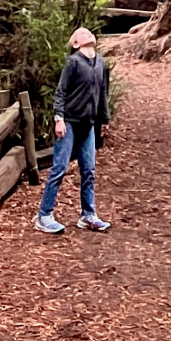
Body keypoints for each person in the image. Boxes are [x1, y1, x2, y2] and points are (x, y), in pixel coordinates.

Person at [34, 25, 111, 234]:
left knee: (89, 170)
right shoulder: (73, 62)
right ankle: (44, 215)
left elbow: (103, 94)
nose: (87, 33)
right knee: (59, 167)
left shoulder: (102, 63)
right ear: (75, 44)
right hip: (69, 121)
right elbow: (61, 92)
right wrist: (59, 118)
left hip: (88, 125)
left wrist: (103, 121)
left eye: (88, 32)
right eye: (81, 34)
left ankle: (88, 215)